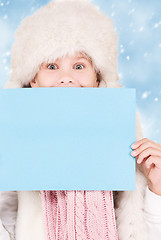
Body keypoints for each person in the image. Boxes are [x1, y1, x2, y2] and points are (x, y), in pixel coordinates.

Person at [0, 0, 161, 239]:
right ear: (33, 80)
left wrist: (156, 190)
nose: (66, 78)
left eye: (78, 65)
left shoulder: (121, 135)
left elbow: (138, 230)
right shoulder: (14, 139)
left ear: (97, 79)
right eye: (52, 65)